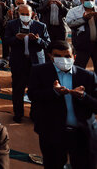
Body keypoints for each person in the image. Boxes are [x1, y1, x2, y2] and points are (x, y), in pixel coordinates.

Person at [28, 40, 97, 169]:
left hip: (82, 134)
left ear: (74, 57)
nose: (63, 59)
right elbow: (33, 95)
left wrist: (84, 97)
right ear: (50, 56)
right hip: (52, 134)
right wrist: (53, 92)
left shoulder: (88, 76)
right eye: (58, 56)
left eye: (67, 56)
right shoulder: (39, 72)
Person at [4, 4, 50, 122]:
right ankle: (18, 114)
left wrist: (37, 39)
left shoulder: (41, 26)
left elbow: (47, 44)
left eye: (27, 14)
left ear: (32, 14)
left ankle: (35, 114)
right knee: (18, 89)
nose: (25, 16)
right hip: (19, 62)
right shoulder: (11, 25)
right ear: (18, 14)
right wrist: (16, 38)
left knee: (36, 90)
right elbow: (6, 40)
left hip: (36, 63)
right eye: (22, 14)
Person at [66, 0, 97, 68]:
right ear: (81, 0)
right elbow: (70, 24)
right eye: (86, 0)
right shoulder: (74, 11)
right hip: (82, 44)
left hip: (96, 45)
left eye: (91, 0)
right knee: (79, 67)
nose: (89, 1)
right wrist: (84, 19)